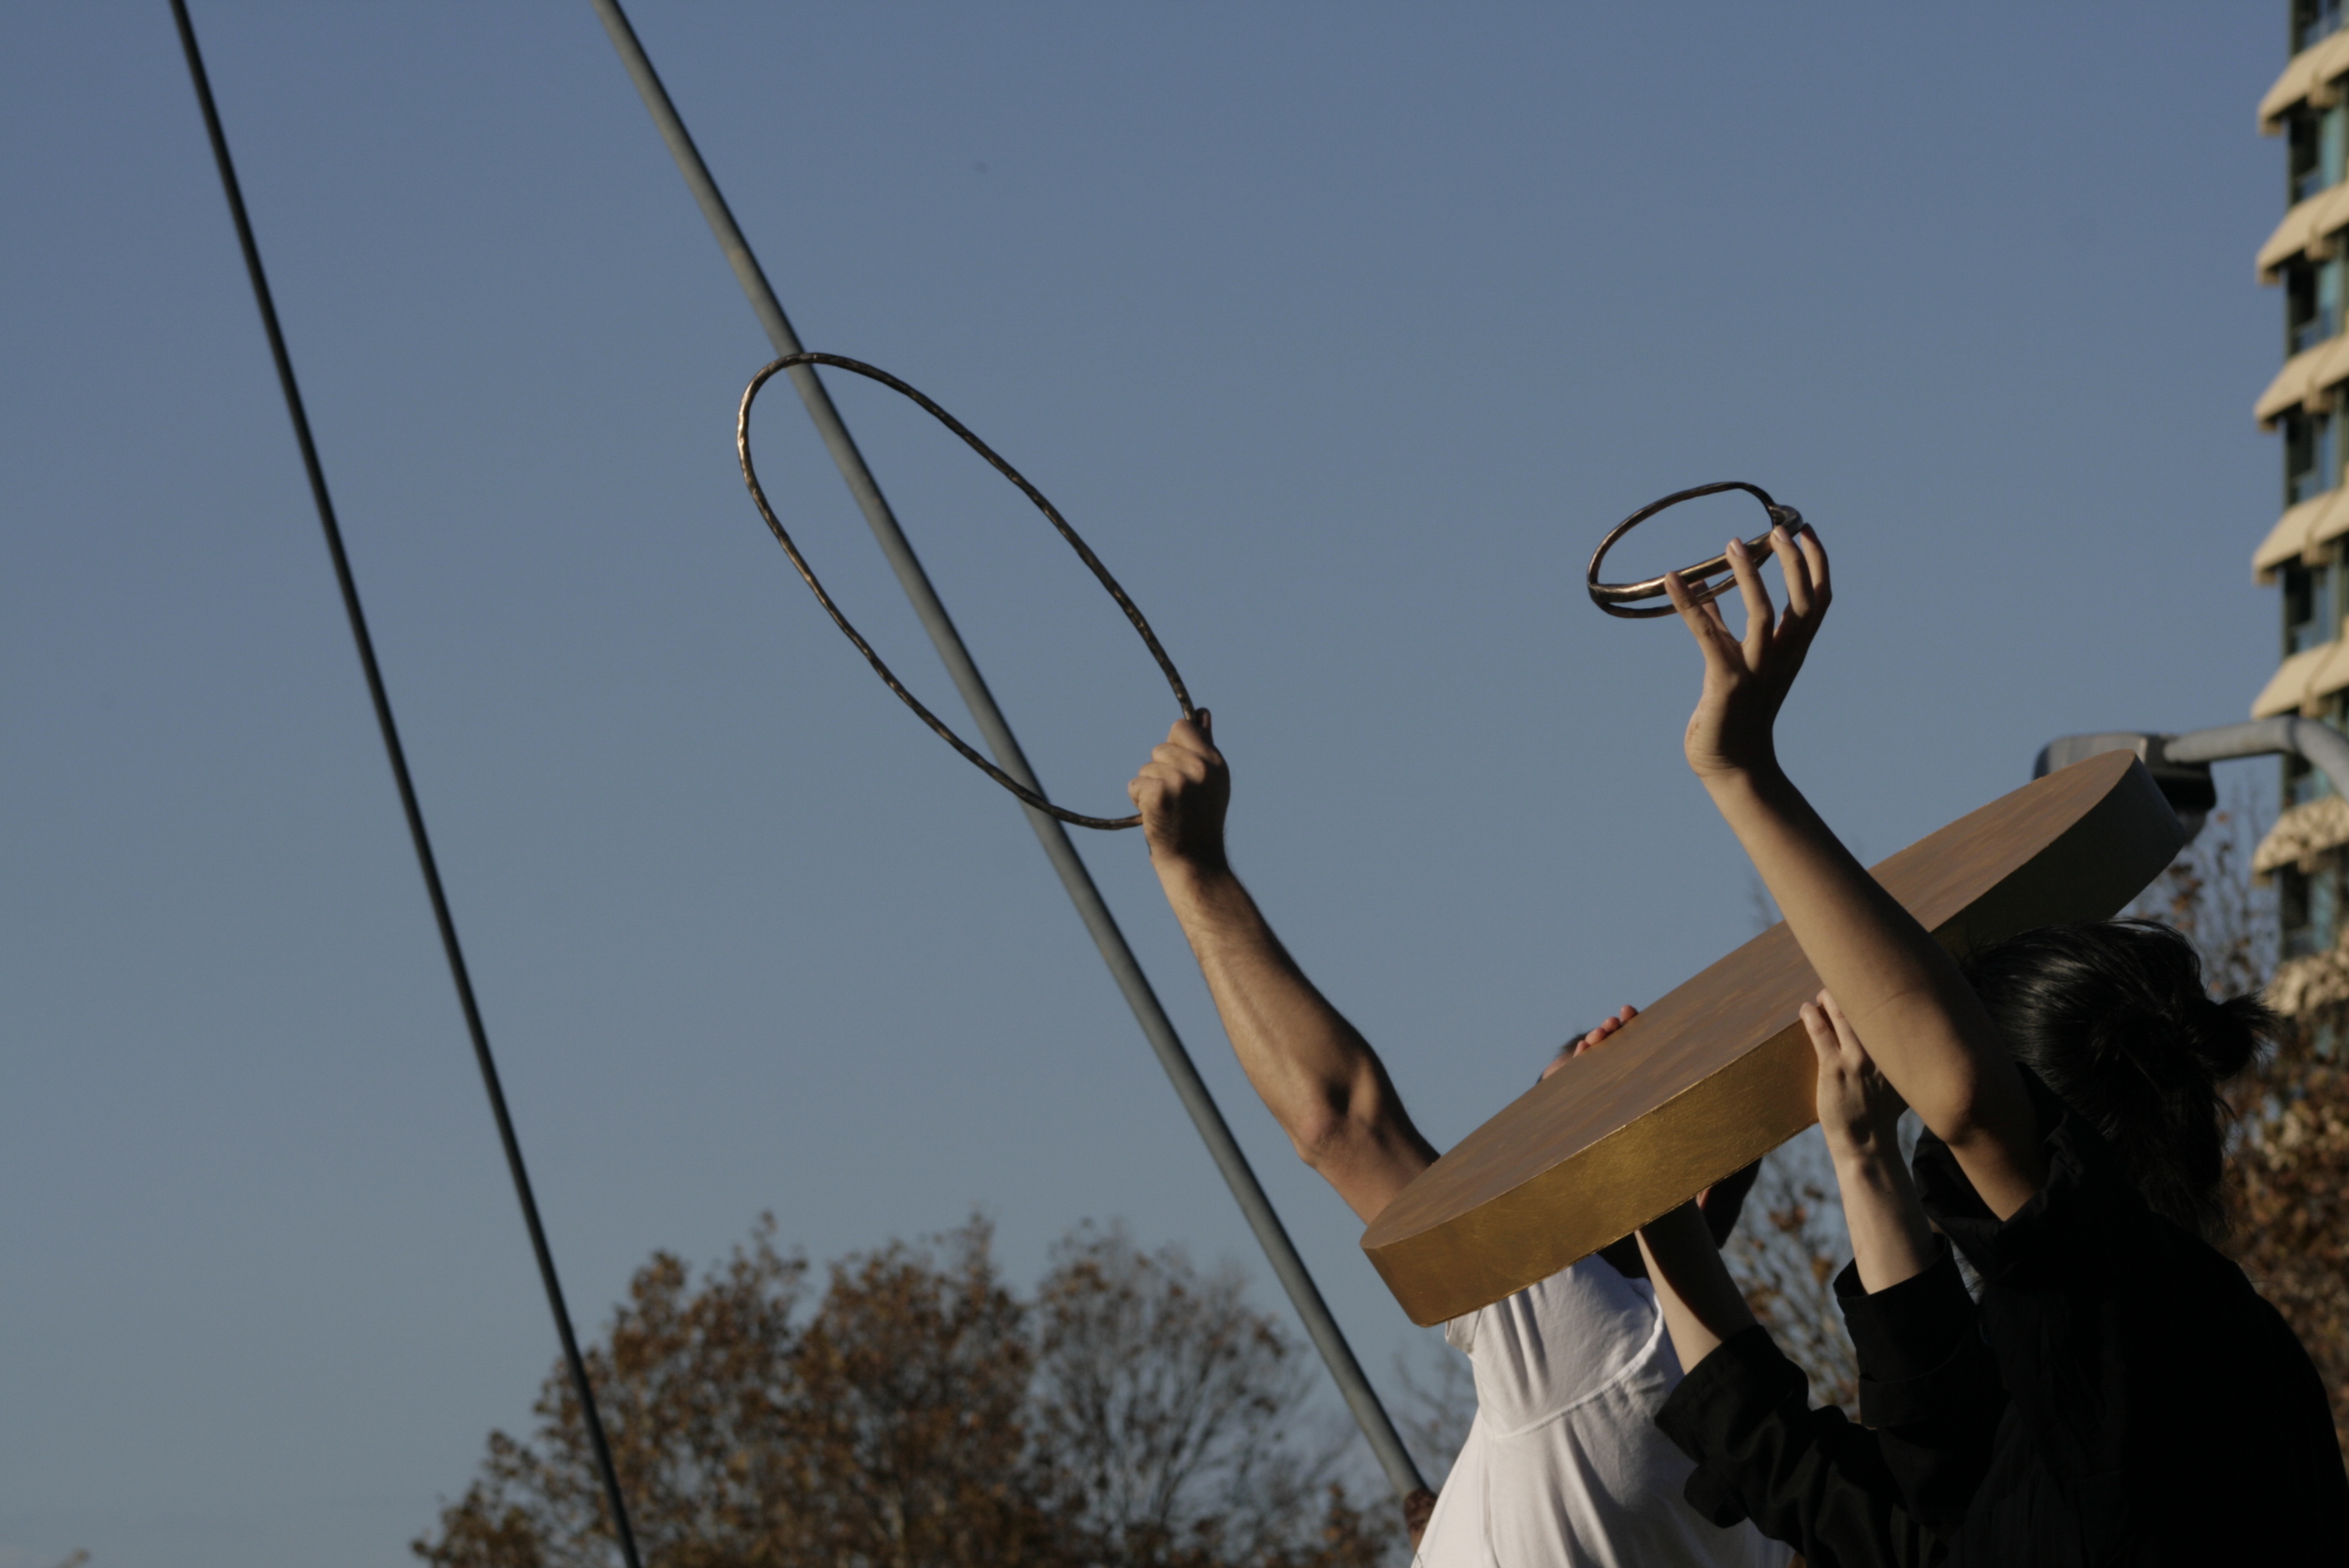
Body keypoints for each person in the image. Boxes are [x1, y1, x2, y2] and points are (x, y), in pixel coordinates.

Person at [1625, 523, 2349, 1565]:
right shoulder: (2066, 1422)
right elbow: (1815, 1466)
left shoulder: (2161, 1336)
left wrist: (1742, 773)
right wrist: (1669, 1202)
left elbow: (1968, 1100)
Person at [1128, 716, 1789, 1568]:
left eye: (1572, 1116)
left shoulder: (1602, 1353)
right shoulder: (1756, 1465)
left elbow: (1343, 1122)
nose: (1511, 1173)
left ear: (1680, 1189)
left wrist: (1192, 869)